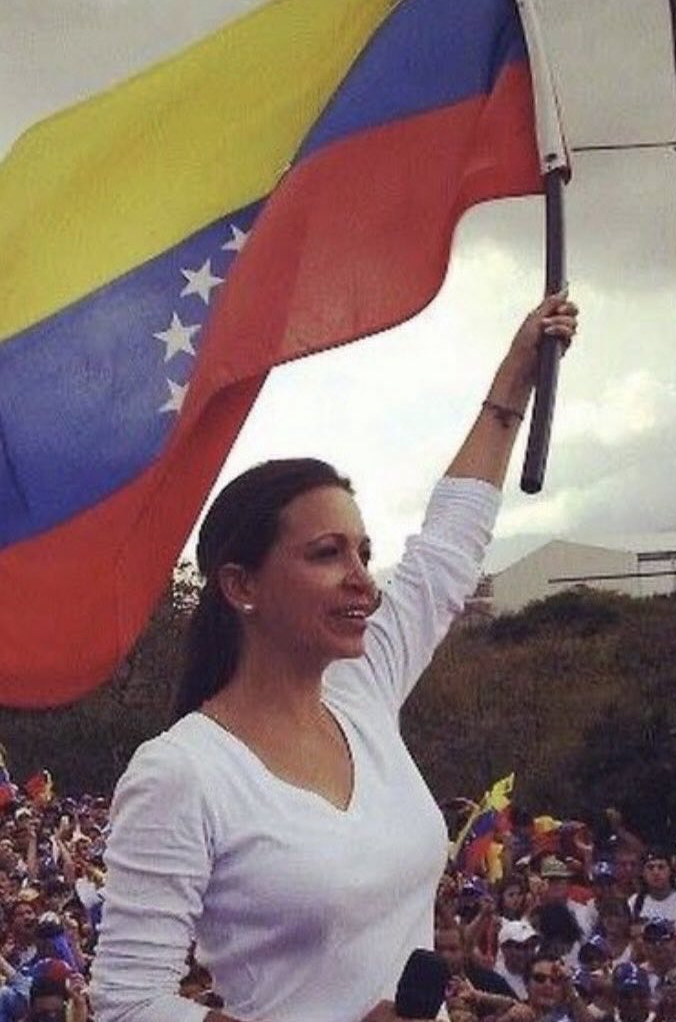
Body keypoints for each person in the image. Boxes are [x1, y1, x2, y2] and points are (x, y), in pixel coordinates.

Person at [91, 294, 579, 1022]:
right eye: (326, 554)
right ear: (241, 584)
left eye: (363, 552)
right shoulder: (182, 772)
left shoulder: (361, 689)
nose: (361, 579)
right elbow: (127, 1005)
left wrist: (513, 383)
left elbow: (445, 553)